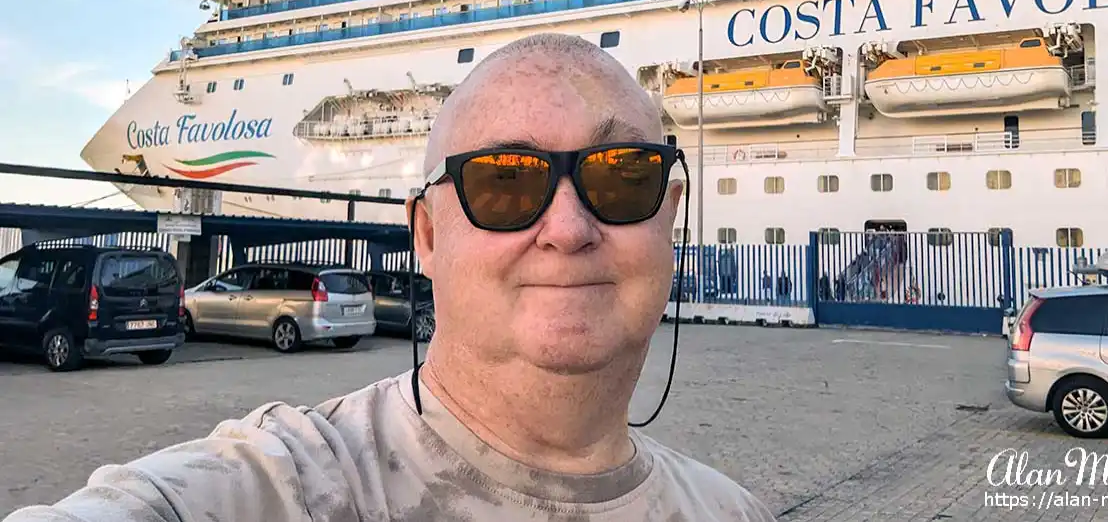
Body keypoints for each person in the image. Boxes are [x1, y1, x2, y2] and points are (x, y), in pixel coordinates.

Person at [4, 33, 776, 522]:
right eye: (505, 182)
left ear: (667, 216)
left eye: (620, 176)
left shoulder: (733, 510)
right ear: (428, 235)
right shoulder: (295, 485)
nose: (570, 229)